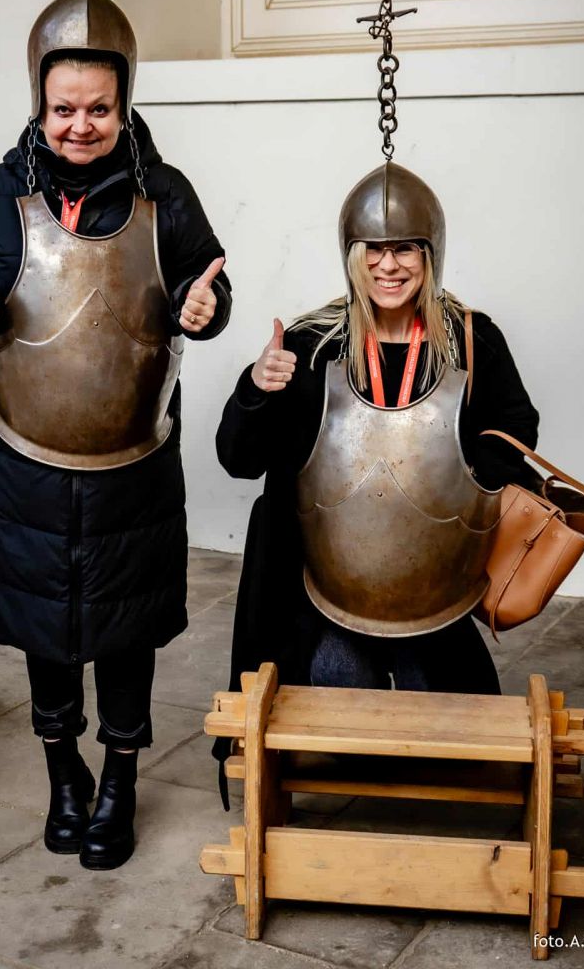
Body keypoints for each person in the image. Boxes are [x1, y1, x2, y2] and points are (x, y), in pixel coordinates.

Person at [0, 0, 231, 870]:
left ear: (124, 103)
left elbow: (205, 286)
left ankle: (120, 779)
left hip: (134, 460)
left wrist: (205, 309)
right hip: (27, 459)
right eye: (64, 108)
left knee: (124, 632)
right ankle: (64, 773)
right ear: (39, 100)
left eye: (99, 108)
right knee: (45, 631)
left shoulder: (164, 194)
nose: (80, 125)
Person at [215, 162, 538, 734]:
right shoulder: (311, 346)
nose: (389, 266)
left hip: (434, 585)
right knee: (338, 687)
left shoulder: (471, 340)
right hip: (327, 587)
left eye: (406, 248)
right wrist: (256, 389)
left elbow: (516, 431)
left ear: (430, 253)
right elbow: (238, 460)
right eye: (374, 250)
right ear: (351, 255)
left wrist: (462, 480)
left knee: (438, 715)